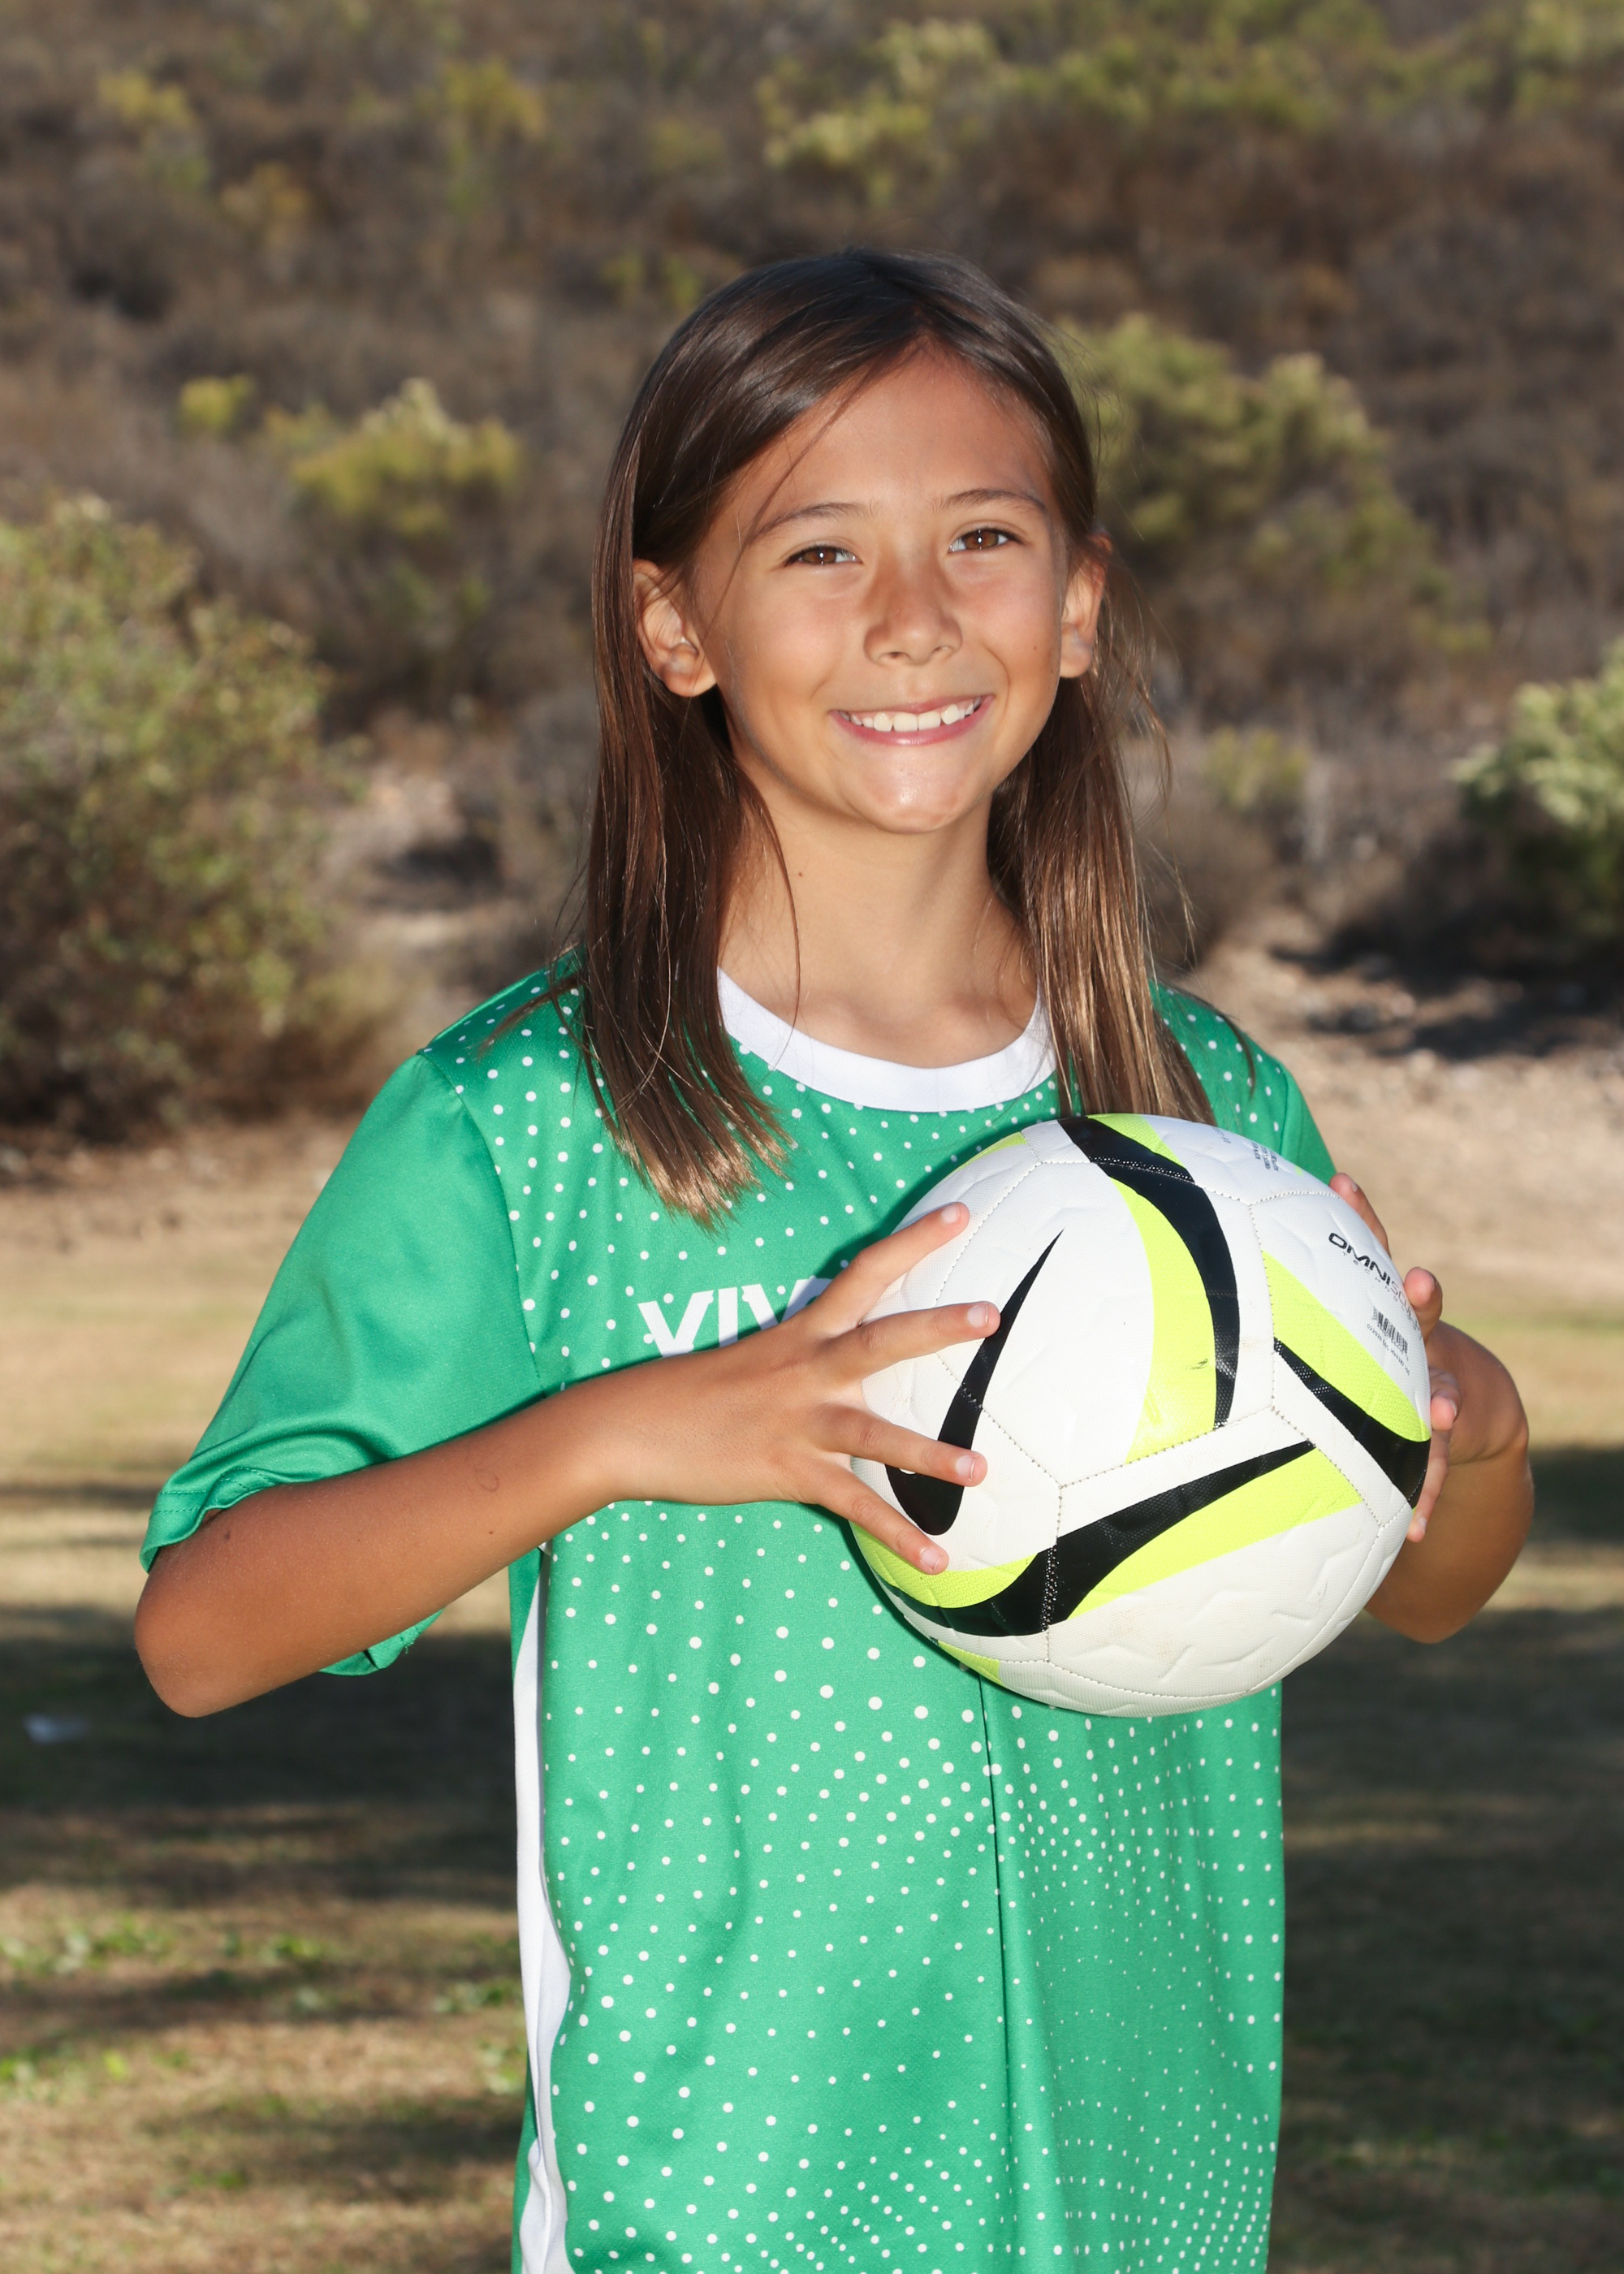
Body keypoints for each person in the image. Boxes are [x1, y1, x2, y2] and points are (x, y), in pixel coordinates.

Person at [135, 249, 1532, 2274]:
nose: (910, 615)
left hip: (1147, 2202)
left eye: (982, 538)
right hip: (720, 2208)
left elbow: (1425, 1583)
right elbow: (203, 1629)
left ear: (1076, 602)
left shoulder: (1202, 1115)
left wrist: (1465, 1431)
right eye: (817, 549)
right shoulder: (532, 1119)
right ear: (672, 624)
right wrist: (619, 1432)